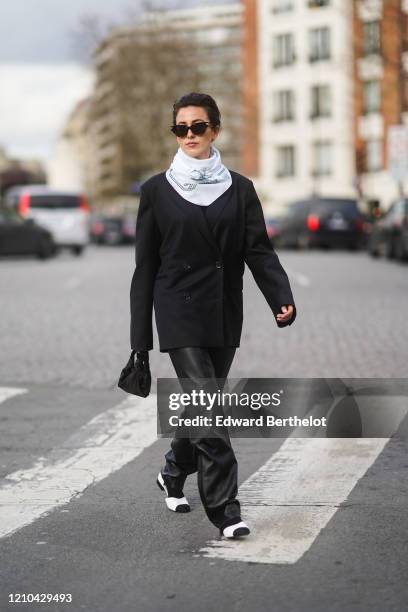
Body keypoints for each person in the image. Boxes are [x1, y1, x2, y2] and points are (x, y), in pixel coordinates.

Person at [130, 92, 296, 539]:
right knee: (209, 405)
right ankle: (225, 508)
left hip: (224, 310)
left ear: (215, 130)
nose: (188, 136)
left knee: (201, 401)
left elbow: (258, 249)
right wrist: (139, 339)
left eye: (197, 127)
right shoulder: (156, 191)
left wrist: (279, 294)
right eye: (180, 128)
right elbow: (145, 268)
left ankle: (172, 471)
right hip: (177, 309)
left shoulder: (239, 188)